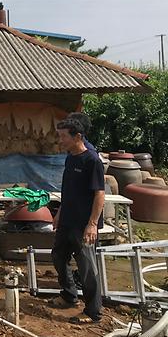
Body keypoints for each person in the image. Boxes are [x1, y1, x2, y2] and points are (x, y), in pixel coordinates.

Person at [49, 118, 105, 324]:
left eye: (63, 136)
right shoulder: (70, 158)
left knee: (87, 267)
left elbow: (99, 194)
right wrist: (60, 213)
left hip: (83, 225)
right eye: (59, 135)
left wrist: (92, 224)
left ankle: (93, 312)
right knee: (58, 256)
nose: (60, 140)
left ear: (77, 137)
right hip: (67, 220)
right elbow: (68, 191)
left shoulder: (92, 161)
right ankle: (69, 295)